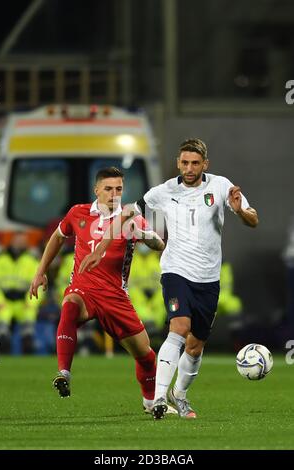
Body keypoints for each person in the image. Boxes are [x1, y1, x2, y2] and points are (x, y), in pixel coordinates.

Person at [78, 138, 259, 420]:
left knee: (196, 346)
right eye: (184, 162)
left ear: (205, 164)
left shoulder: (221, 186)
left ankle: (180, 394)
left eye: (195, 163)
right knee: (179, 326)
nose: (189, 168)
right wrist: (101, 248)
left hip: (208, 278)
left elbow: (253, 220)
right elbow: (127, 212)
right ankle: (160, 397)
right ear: (178, 162)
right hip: (176, 270)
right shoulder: (164, 191)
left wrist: (238, 210)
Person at [29, 167, 175, 415]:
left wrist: (142, 234)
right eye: (108, 189)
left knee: (146, 356)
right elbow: (56, 237)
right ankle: (64, 372)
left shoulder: (130, 217)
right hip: (84, 287)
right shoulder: (79, 213)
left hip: (115, 296)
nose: (114, 194)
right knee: (70, 304)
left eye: (118, 189)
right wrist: (40, 270)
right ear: (96, 190)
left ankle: (150, 402)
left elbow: (159, 244)